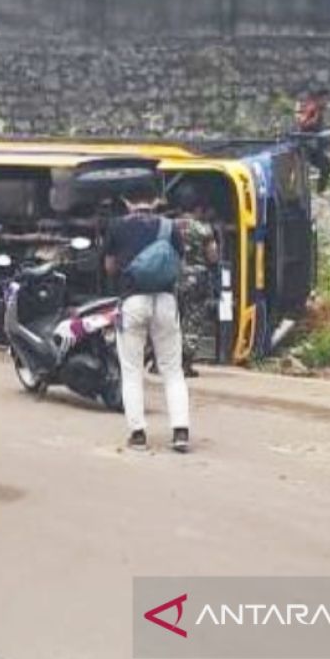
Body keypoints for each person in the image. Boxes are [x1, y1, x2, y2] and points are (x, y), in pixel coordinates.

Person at [104, 169, 191, 453]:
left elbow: (109, 266)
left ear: (127, 200)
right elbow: (180, 262)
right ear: (155, 199)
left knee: (131, 371)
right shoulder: (170, 227)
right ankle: (180, 431)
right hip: (165, 301)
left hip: (133, 301)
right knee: (172, 369)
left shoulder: (117, 226)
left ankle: (138, 434)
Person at [171, 182, 219, 378]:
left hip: (172, 278)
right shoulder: (203, 229)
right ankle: (184, 364)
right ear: (198, 207)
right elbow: (213, 256)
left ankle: (160, 362)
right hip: (197, 280)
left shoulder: (168, 226)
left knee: (171, 320)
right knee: (192, 320)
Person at [295, 88, 330, 193]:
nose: (327, 101)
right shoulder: (312, 108)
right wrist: (314, 119)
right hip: (305, 145)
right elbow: (303, 123)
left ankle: (320, 191)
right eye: (325, 99)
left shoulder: (320, 109)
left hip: (314, 146)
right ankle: (301, 193)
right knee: (303, 171)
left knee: (326, 166)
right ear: (320, 98)